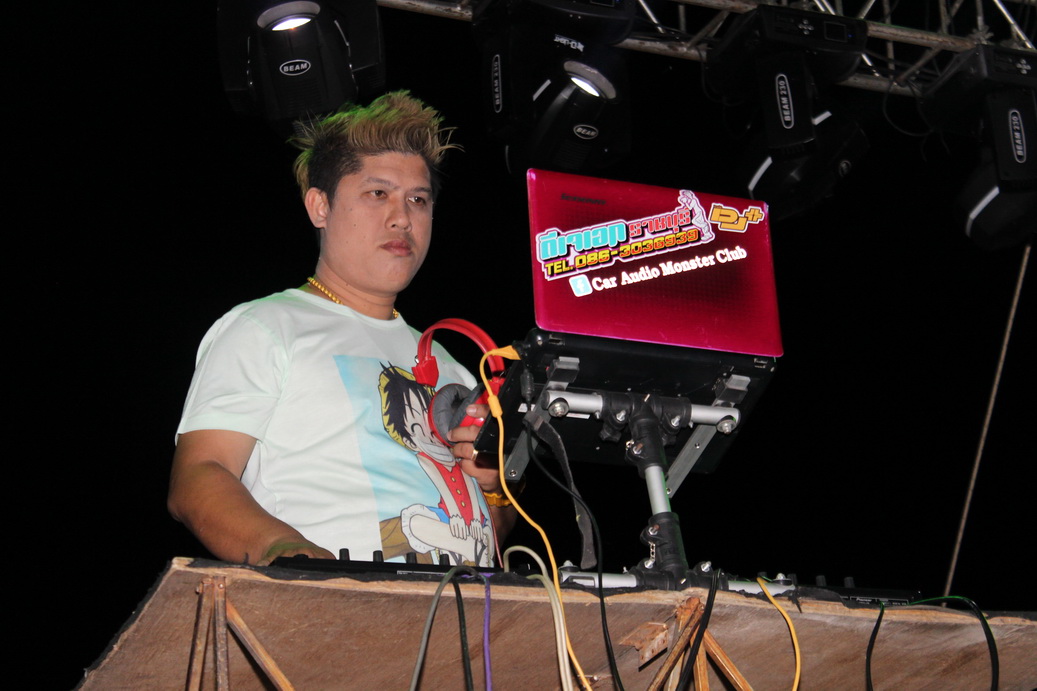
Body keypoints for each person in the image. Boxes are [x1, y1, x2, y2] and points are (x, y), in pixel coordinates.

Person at [168, 91, 516, 567]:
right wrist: (288, 554)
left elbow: (490, 534)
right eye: (378, 194)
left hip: (470, 609)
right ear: (320, 206)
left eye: (418, 199)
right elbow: (200, 474)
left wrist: (495, 491)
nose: (402, 217)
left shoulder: (454, 369)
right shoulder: (265, 327)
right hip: (334, 606)